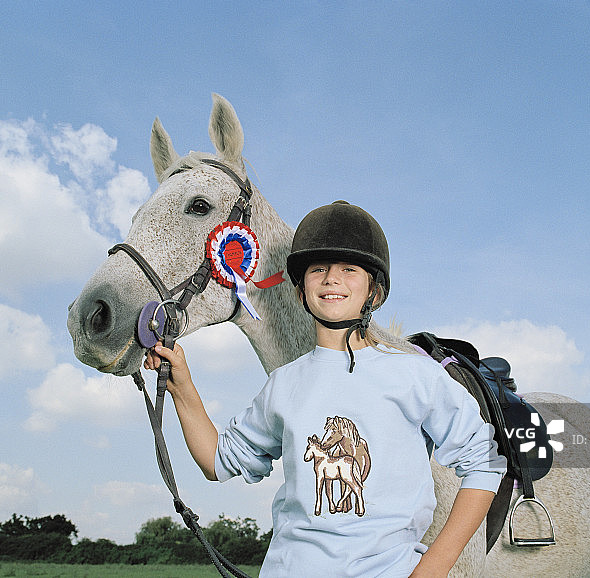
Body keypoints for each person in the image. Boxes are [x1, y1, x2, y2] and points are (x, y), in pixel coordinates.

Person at [145, 200, 505, 577]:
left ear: (374, 293)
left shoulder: (419, 376)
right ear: (301, 293)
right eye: (319, 269)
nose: (332, 278)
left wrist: (432, 569)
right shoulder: (283, 383)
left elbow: (484, 464)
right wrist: (182, 387)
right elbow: (217, 461)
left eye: (349, 269)